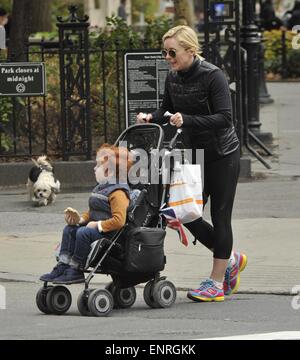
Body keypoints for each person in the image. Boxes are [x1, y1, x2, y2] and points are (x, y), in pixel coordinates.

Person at [136, 25, 247, 302]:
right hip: (194, 153)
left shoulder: (213, 76)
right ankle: (231, 259)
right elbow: (167, 109)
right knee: (185, 213)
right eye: (165, 52)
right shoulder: (173, 76)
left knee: (221, 217)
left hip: (222, 153)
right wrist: (152, 117)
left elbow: (225, 118)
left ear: (190, 49)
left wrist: (187, 119)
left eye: (172, 52)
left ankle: (216, 282)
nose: (167, 57)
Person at [40, 144, 134, 284]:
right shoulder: (101, 188)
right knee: (70, 230)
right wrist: (80, 219)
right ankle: (63, 265)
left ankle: (76, 269)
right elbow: (93, 212)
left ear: (110, 172)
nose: (94, 168)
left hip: (110, 236)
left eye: (98, 166)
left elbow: (119, 221)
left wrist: (97, 225)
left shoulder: (118, 193)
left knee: (83, 233)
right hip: (97, 231)